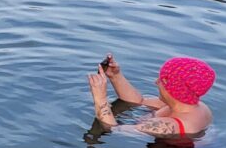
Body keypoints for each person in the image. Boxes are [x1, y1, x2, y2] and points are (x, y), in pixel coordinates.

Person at [87, 54, 215, 138]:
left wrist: (100, 98)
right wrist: (115, 76)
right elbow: (139, 101)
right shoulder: (190, 105)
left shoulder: (168, 126)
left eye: (162, 80)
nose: (156, 82)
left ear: (175, 90)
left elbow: (113, 128)